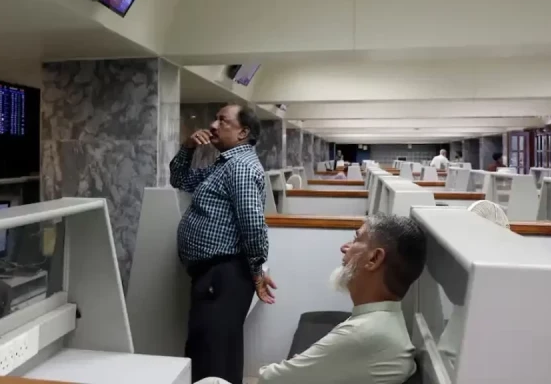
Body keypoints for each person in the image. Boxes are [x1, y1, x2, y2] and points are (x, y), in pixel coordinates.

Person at [197, 215, 426, 384]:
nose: (344, 247)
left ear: (374, 259)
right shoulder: (381, 321)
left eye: (356, 239)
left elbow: (271, 380)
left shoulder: (366, 333)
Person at [170, 104, 275, 384]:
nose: (213, 126)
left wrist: (256, 271)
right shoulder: (225, 164)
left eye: (222, 121)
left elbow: (253, 223)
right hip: (214, 274)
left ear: (243, 132)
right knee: (213, 349)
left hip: (223, 274)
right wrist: (188, 148)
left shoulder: (240, 167)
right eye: (215, 119)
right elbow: (179, 179)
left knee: (212, 355)